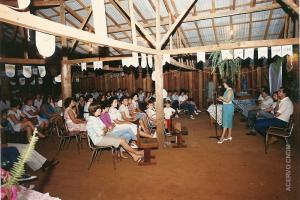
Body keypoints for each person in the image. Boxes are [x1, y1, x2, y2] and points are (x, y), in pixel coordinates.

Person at [217, 80, 235, 144]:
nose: (223, 84)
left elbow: (227, 101)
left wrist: (221, 97)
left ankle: (222, 138)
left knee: (225, 122)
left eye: (224, 83)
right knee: (229, 121)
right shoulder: (227, 90)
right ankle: (229, 136)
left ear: (227, 84)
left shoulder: (230, 90)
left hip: (228, 107)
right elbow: (227, 101)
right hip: (227, 107)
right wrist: (221, 100)